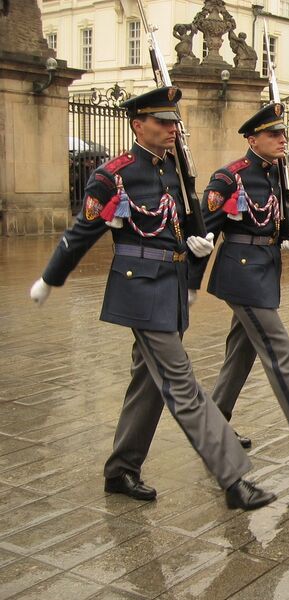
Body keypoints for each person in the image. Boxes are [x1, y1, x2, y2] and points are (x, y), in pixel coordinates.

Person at [28, 87, 273, 510]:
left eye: (174, 121)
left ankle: (122, 468)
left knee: (149, 382)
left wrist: (195, 261)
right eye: (162, 121)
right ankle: (234, 477)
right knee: (180, 381)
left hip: (170, 286)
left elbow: (187, 228)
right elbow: (82, 231)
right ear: (137, 124)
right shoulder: (114, 175)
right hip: (139, 289)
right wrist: (51, 278)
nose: (171, 128)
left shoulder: (174, 170)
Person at [188, 103, 289, 456]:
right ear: (252, 139)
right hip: (241, 273)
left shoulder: (275, 173)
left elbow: (271, 219)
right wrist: (190, 283)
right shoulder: (228, 178)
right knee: (279, 348)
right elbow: (204, 237)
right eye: (273, 134)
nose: (283, 139)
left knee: (242, 351)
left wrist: (284, 236)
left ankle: (212, 425)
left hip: (265, 269)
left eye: (283, 133)